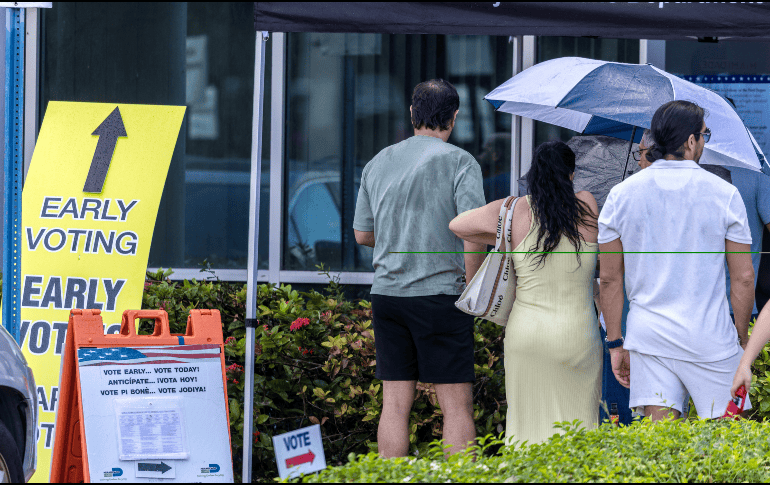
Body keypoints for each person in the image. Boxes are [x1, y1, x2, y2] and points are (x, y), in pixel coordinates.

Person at [353, 79, 487, 457]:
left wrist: (401, 240)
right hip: (441, 296)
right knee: (456, 407)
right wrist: (473, 288)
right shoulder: (460, 162)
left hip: (388, 296)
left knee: (394, 405)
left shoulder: (377, 162)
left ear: (412, 113)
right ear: (455, 118)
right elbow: (474, 235)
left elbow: (363, 235)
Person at [600, 100, 755, 421]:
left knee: (663, 449)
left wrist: (616, 342)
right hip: (712, 337)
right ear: (690, 141)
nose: (704, 142)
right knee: (729, 448)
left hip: (649, 337)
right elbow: (742, 277)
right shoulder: (723, 192)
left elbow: (610, 279)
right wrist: (741, 337)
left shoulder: (621, 194)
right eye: (705, 135)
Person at [450, 140, 601, 446]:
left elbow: (458, 225)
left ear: (534, 174)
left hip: (526, 335)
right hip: (577, 335)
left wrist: (481, 266)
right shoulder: (586, 206)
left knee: (527, 428)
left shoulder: (514, 210)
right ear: (571, 176)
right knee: (580, 430)